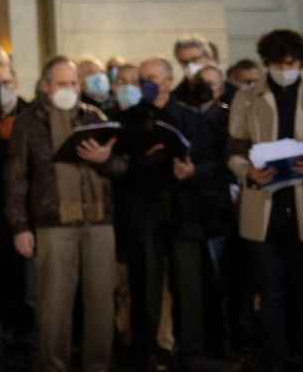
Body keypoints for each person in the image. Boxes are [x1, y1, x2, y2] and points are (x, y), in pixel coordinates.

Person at [227, 29, 303, 372]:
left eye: (290, 63)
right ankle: (274, 361)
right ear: (267, 63)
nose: (284, 69)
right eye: (277, 64)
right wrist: (247, 171)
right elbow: (233, 150)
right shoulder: (247, 97)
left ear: (302, 62)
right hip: (264, 206)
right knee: (270, 295)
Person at [6, 58, 126, 372]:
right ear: (46, 86)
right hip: (53, 223)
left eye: (73, 83)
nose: (70, 89)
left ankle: (98, 365)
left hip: (99, 221)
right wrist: (20, 226)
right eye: (62, 83)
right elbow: (16, 178)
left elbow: (120, 169)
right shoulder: (28, 121)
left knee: (101, 300)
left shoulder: (94, 116)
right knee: (54, 303)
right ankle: (52, 365)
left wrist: (104, 160)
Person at [117, 57, 218, 372]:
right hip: (145, 211)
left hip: (184, 212)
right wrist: (141, 162)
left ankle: (191, 352)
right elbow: (119, 166)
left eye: (154, 77)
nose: (148, 82)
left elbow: (213, 163)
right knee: (145, 284)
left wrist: (193, 172)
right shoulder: (128, 120)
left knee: (188, 286)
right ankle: (145, 352)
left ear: (169, 81)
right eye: (143, 78)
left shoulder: (191, 118)